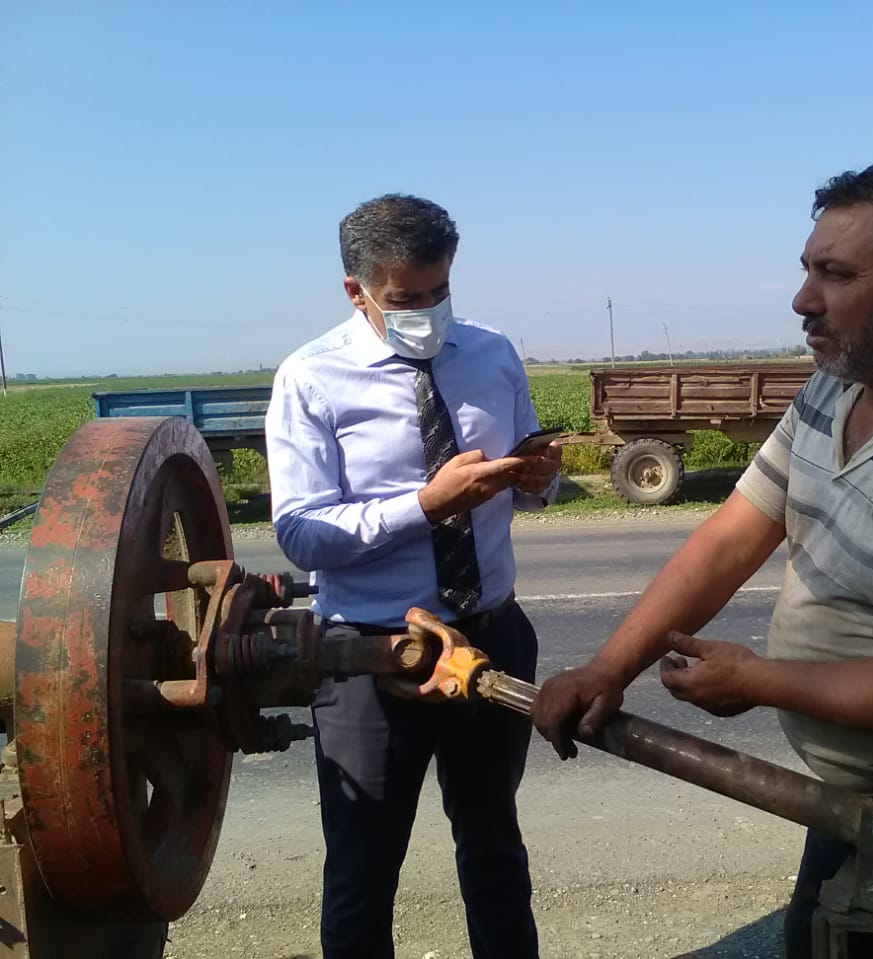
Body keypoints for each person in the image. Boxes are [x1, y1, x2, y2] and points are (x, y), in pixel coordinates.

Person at [531, 163, 873, 958]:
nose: (802, 299)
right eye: (806, 269)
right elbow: (730, 538)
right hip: (860, 799)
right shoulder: (836, 389)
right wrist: (608, 668)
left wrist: (758, 680)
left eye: (835, 273)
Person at [265, 193, 559, 959]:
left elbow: (528, 478)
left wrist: (537, 478)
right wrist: (425, 506)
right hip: (371, 657)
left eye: (440, 290)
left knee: (495, 849)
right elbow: (301, 533)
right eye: (404, 299)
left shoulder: (492, 353)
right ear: (356, 290)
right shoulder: (311, 378)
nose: (427, 312)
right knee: (362, 872)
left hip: (491, 636)